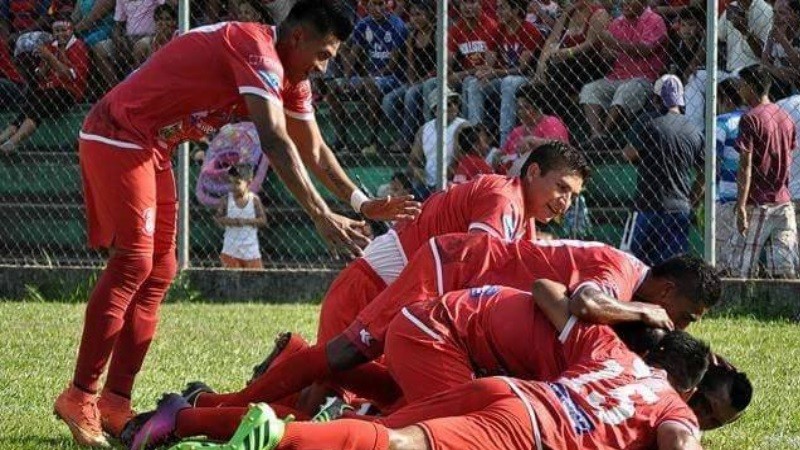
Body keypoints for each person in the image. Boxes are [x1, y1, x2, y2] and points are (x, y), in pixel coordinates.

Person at [53, 1, 420, 447]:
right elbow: (275, 139)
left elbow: (315, 148)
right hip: (117, 132)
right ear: (298, 38)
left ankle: (114, 401)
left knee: (161, 271)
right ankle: (80, 395)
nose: (324, 68)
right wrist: (320, 214)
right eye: (323, 55)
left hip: (151, 145)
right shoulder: (256, 48)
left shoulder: (291, 75)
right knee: (133, 263)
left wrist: (360, 203)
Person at [190, 231, 719, 414]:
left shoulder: (629, 286)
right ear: (665, 292)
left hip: (469, 309)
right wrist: (644, 313)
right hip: (453, 274)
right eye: (683, 316)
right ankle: (214, 406)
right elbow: (582, 302)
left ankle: (291, 368)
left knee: (409, 400)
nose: (676, 327)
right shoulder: (622, 274)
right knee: (353, 352)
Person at [130, 286, 711, 450]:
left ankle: (185, 420)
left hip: (501, 385)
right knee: (401, 438)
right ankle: (278, 431)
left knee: (388, 422)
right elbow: (680, 441)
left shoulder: (610, 346)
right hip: (460, 349)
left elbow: (555, 293)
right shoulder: (672, 405)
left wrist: (629, 312)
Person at [621, 74, 704, 266]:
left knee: (630, 262)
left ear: (655, 98)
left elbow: (628, 154)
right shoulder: (693, 130)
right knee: (672, 267)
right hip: (679, 207)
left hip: (647, 204)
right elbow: (706, 172)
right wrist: (693, 197)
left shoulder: (647, 121)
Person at [730, 64, 798, 278]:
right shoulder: (785, 117)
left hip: (758, 200)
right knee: (784, 266)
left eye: (742, 85)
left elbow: (745, 165)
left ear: (751, 86)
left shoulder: (751, 118)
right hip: (783, 198)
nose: (739, 90)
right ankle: (783, 307)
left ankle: (738, 304)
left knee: (741, 265)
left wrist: (741, 205)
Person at [579, 0, 668, 138]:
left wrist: (614, 44)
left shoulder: (655, 20)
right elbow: (607, 52)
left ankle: (607, 134)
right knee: (590, 89)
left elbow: (644, 50)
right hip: (616, 76)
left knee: (627, 89)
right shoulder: (617, 23)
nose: (624, 3)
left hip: (645, 79)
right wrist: (606, 52)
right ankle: (597, 135)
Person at [0, 15, 89, 152]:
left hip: (67, 91)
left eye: (63, 30)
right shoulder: (51, 47)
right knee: (28, 106)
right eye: (56, 31)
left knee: (39, 106)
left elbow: (69, 75)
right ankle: (3, 138)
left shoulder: (78, 46)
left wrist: (49, 57)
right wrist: (45, 61)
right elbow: (40, 75)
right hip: (47, 89)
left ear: (71, 30)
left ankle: (13, 141)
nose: (60, 34)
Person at [327, 0, 407, 150]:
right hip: (369, 77)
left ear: (388, 5)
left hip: (393, 77)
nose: (377, 8)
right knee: (333, 87)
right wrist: (346, 78)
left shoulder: (397, 25)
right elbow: (354, 53)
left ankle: (373, 139)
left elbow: (393, 63)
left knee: (370, 85)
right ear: (367, 6)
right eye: (373, 4)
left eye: (381, 4)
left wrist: (372, 77)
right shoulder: (364, 24)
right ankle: (340, 139)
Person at [684, 0, 774, 130]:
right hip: (730, 73)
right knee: (696, 77)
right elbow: (713, 38)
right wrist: (693, 63)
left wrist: (746, 32)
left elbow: (766, 55)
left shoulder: (765, 10)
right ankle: (695, 132)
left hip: (752, 74)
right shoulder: (733, 7)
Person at [382, 0, 436, 153]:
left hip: (433, 79)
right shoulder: (412, 37)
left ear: (429, 15)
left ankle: (407, 139)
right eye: (412, 15)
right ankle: (412, 133)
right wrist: (412, 81)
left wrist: (419, 82)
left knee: (411, 93)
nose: (415, 18)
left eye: (419, 14)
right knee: (388, 101)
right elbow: (410, 64)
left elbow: (440, 65)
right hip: (416, 81)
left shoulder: (436, 33)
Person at [494, 83, 570, 173]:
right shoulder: (516, 131)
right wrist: (498, 156)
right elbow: (503, 154)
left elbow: (560, 148)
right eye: (519, 108)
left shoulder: (552, 123)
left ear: (538, 107)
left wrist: (534, 141)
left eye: (526, 107)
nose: (521, 112)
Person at [408, 88, 469, 199]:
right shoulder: (424, 129)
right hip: (427, 183)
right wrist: (417, 171)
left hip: (453, 182)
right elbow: (413, 161)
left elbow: (458, 162)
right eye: (448, 104)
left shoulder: (462, 127)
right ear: (436, 110)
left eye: (455, 102)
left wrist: (440, 183)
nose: (453, 107)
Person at [715, 79, 747, 275]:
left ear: (724, 98)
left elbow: (713, 159)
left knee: (720, 254)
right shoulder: (753, 118)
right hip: (749, 195)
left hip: (726, 194)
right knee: (741, 253)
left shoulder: (722, 122)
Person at [216, 165, 267, 269]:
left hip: (251, 251)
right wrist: (232, 221)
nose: (233, 186)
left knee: (256, 280)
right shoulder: (226, 200)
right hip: (231, 250)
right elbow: (218, 218)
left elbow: (263, 220)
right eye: (231, 182)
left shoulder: (254, 200)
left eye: (237, 183)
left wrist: (246, 221)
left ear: (248, 183)